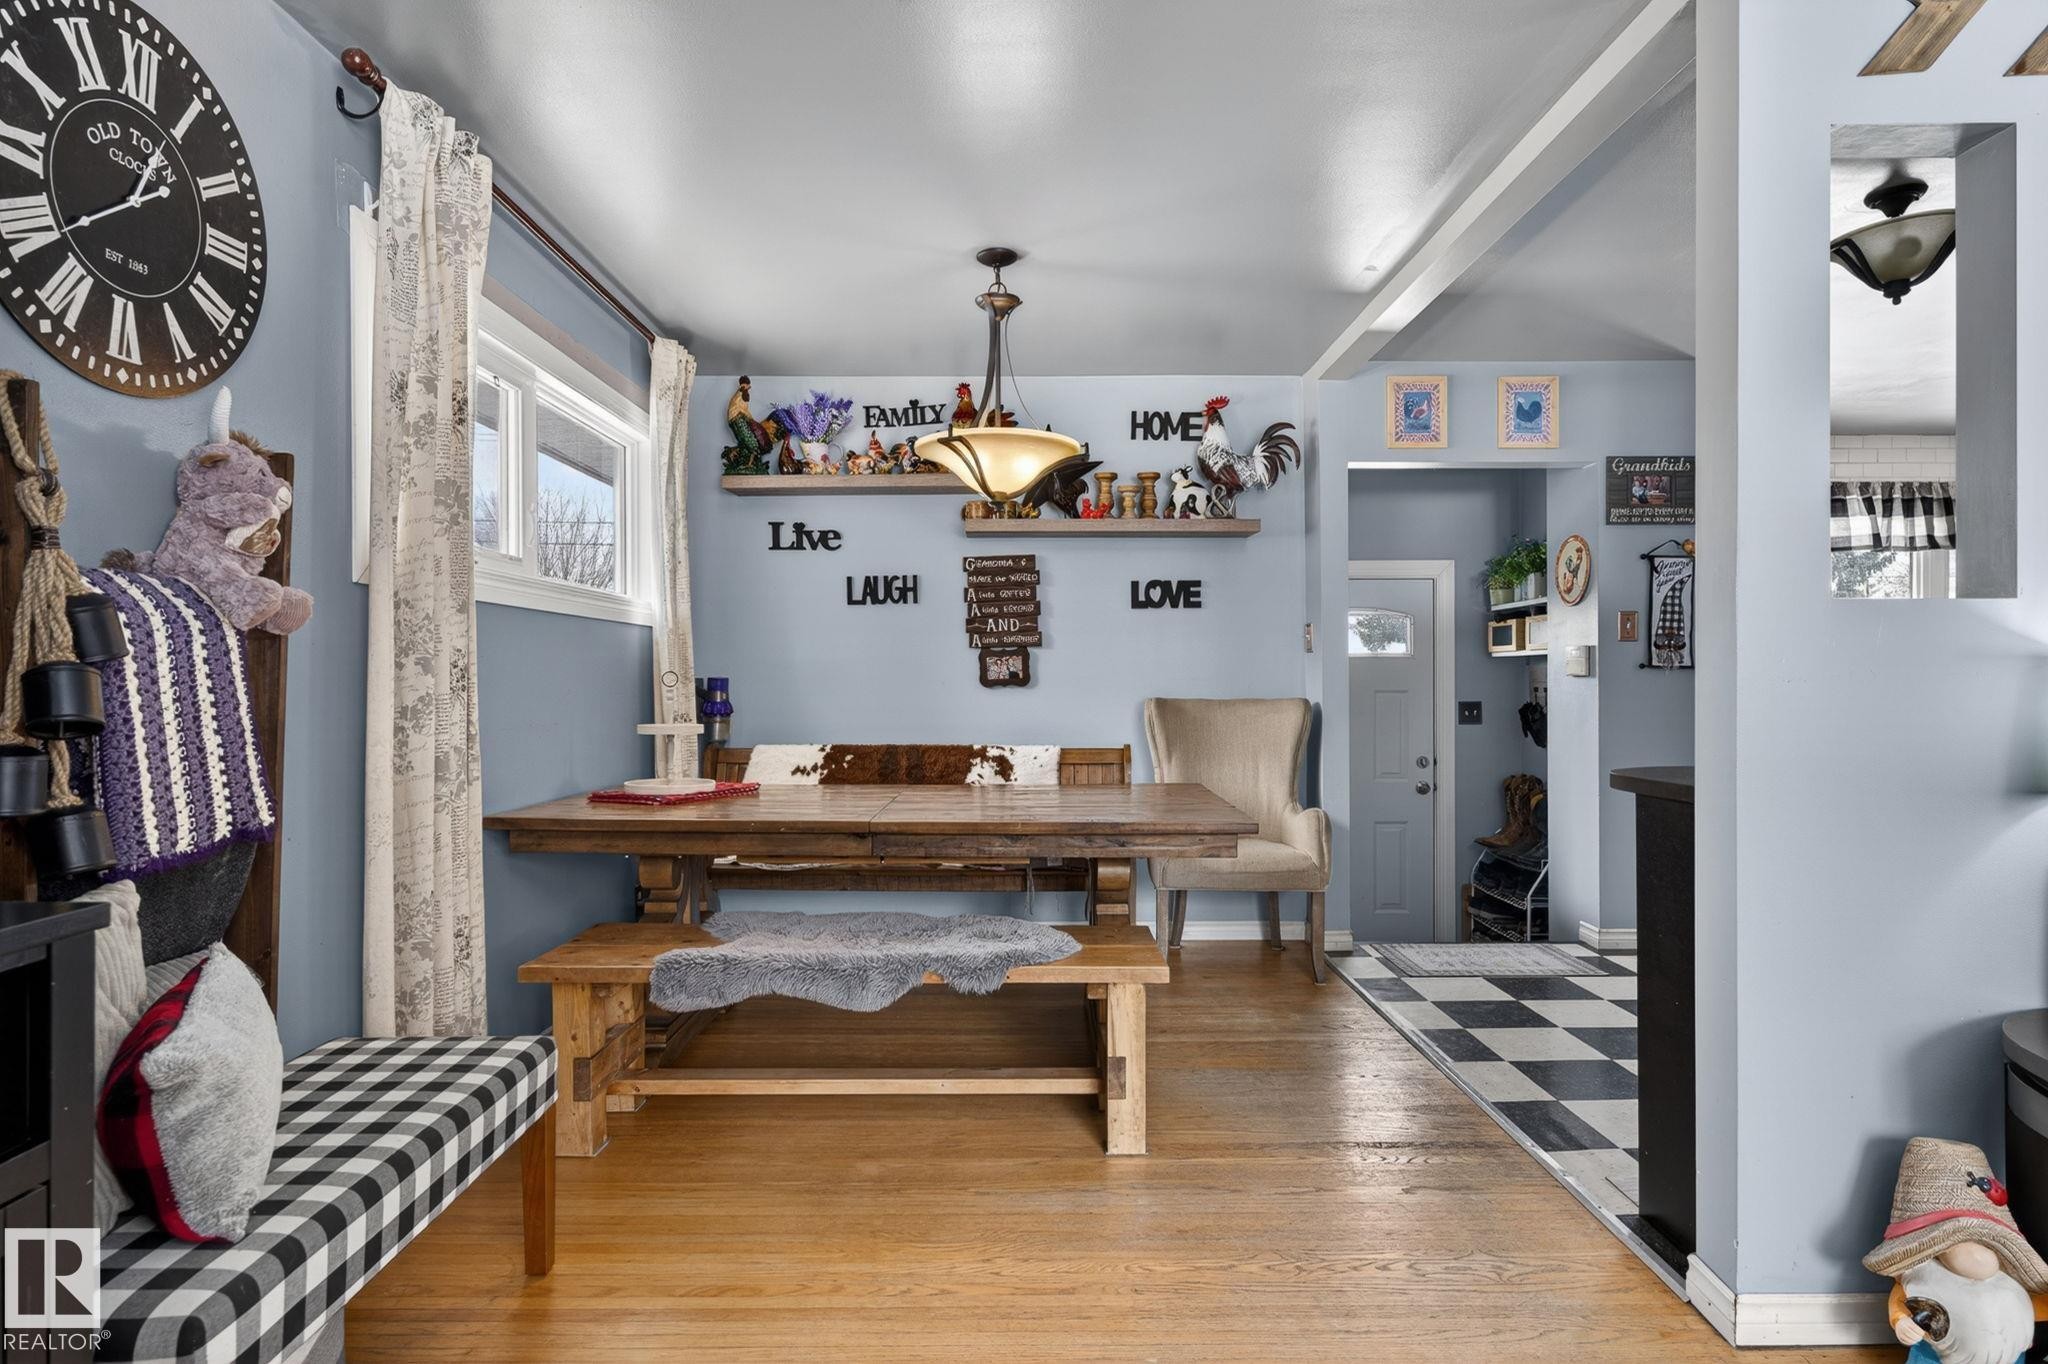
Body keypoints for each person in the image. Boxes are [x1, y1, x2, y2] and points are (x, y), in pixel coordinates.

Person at [1865, 1137, 2048, 1364]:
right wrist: (1902, 1322)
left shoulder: (2006, 1276)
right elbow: (1901, 1303)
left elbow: (2040, 1300)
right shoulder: (1922, 1272)